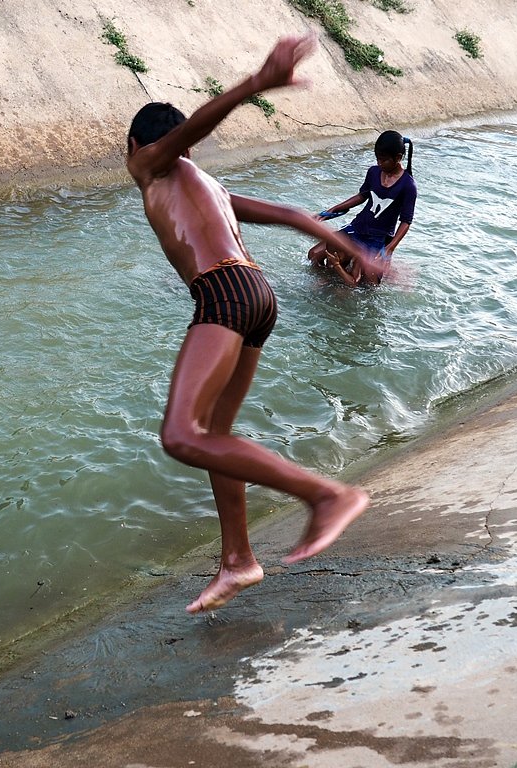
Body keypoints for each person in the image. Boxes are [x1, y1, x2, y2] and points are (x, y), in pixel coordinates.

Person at [126, 34, 379, 614]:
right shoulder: (210, 185)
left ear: (139, 144)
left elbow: (183, 136)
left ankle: (325, 496)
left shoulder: (149, 165)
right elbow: (290, 214)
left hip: (224, 293)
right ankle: (238, 560)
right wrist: (354, 252)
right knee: (215, 439)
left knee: (181, 435)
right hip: (258, 295)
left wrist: (255, 85)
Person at [308, 130, 417, 286]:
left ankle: (346, 276)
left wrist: (390, 249)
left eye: (384, 160)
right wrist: (332, 211)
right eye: (378, 159)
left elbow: (406, 221)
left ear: (398, 158)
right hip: (357, 228)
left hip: (378, 239)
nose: (379, 163)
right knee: (313, 255)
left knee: (370, 284)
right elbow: (362, 196)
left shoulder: (408, 186)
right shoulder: (374, 172)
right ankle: (331, 281)